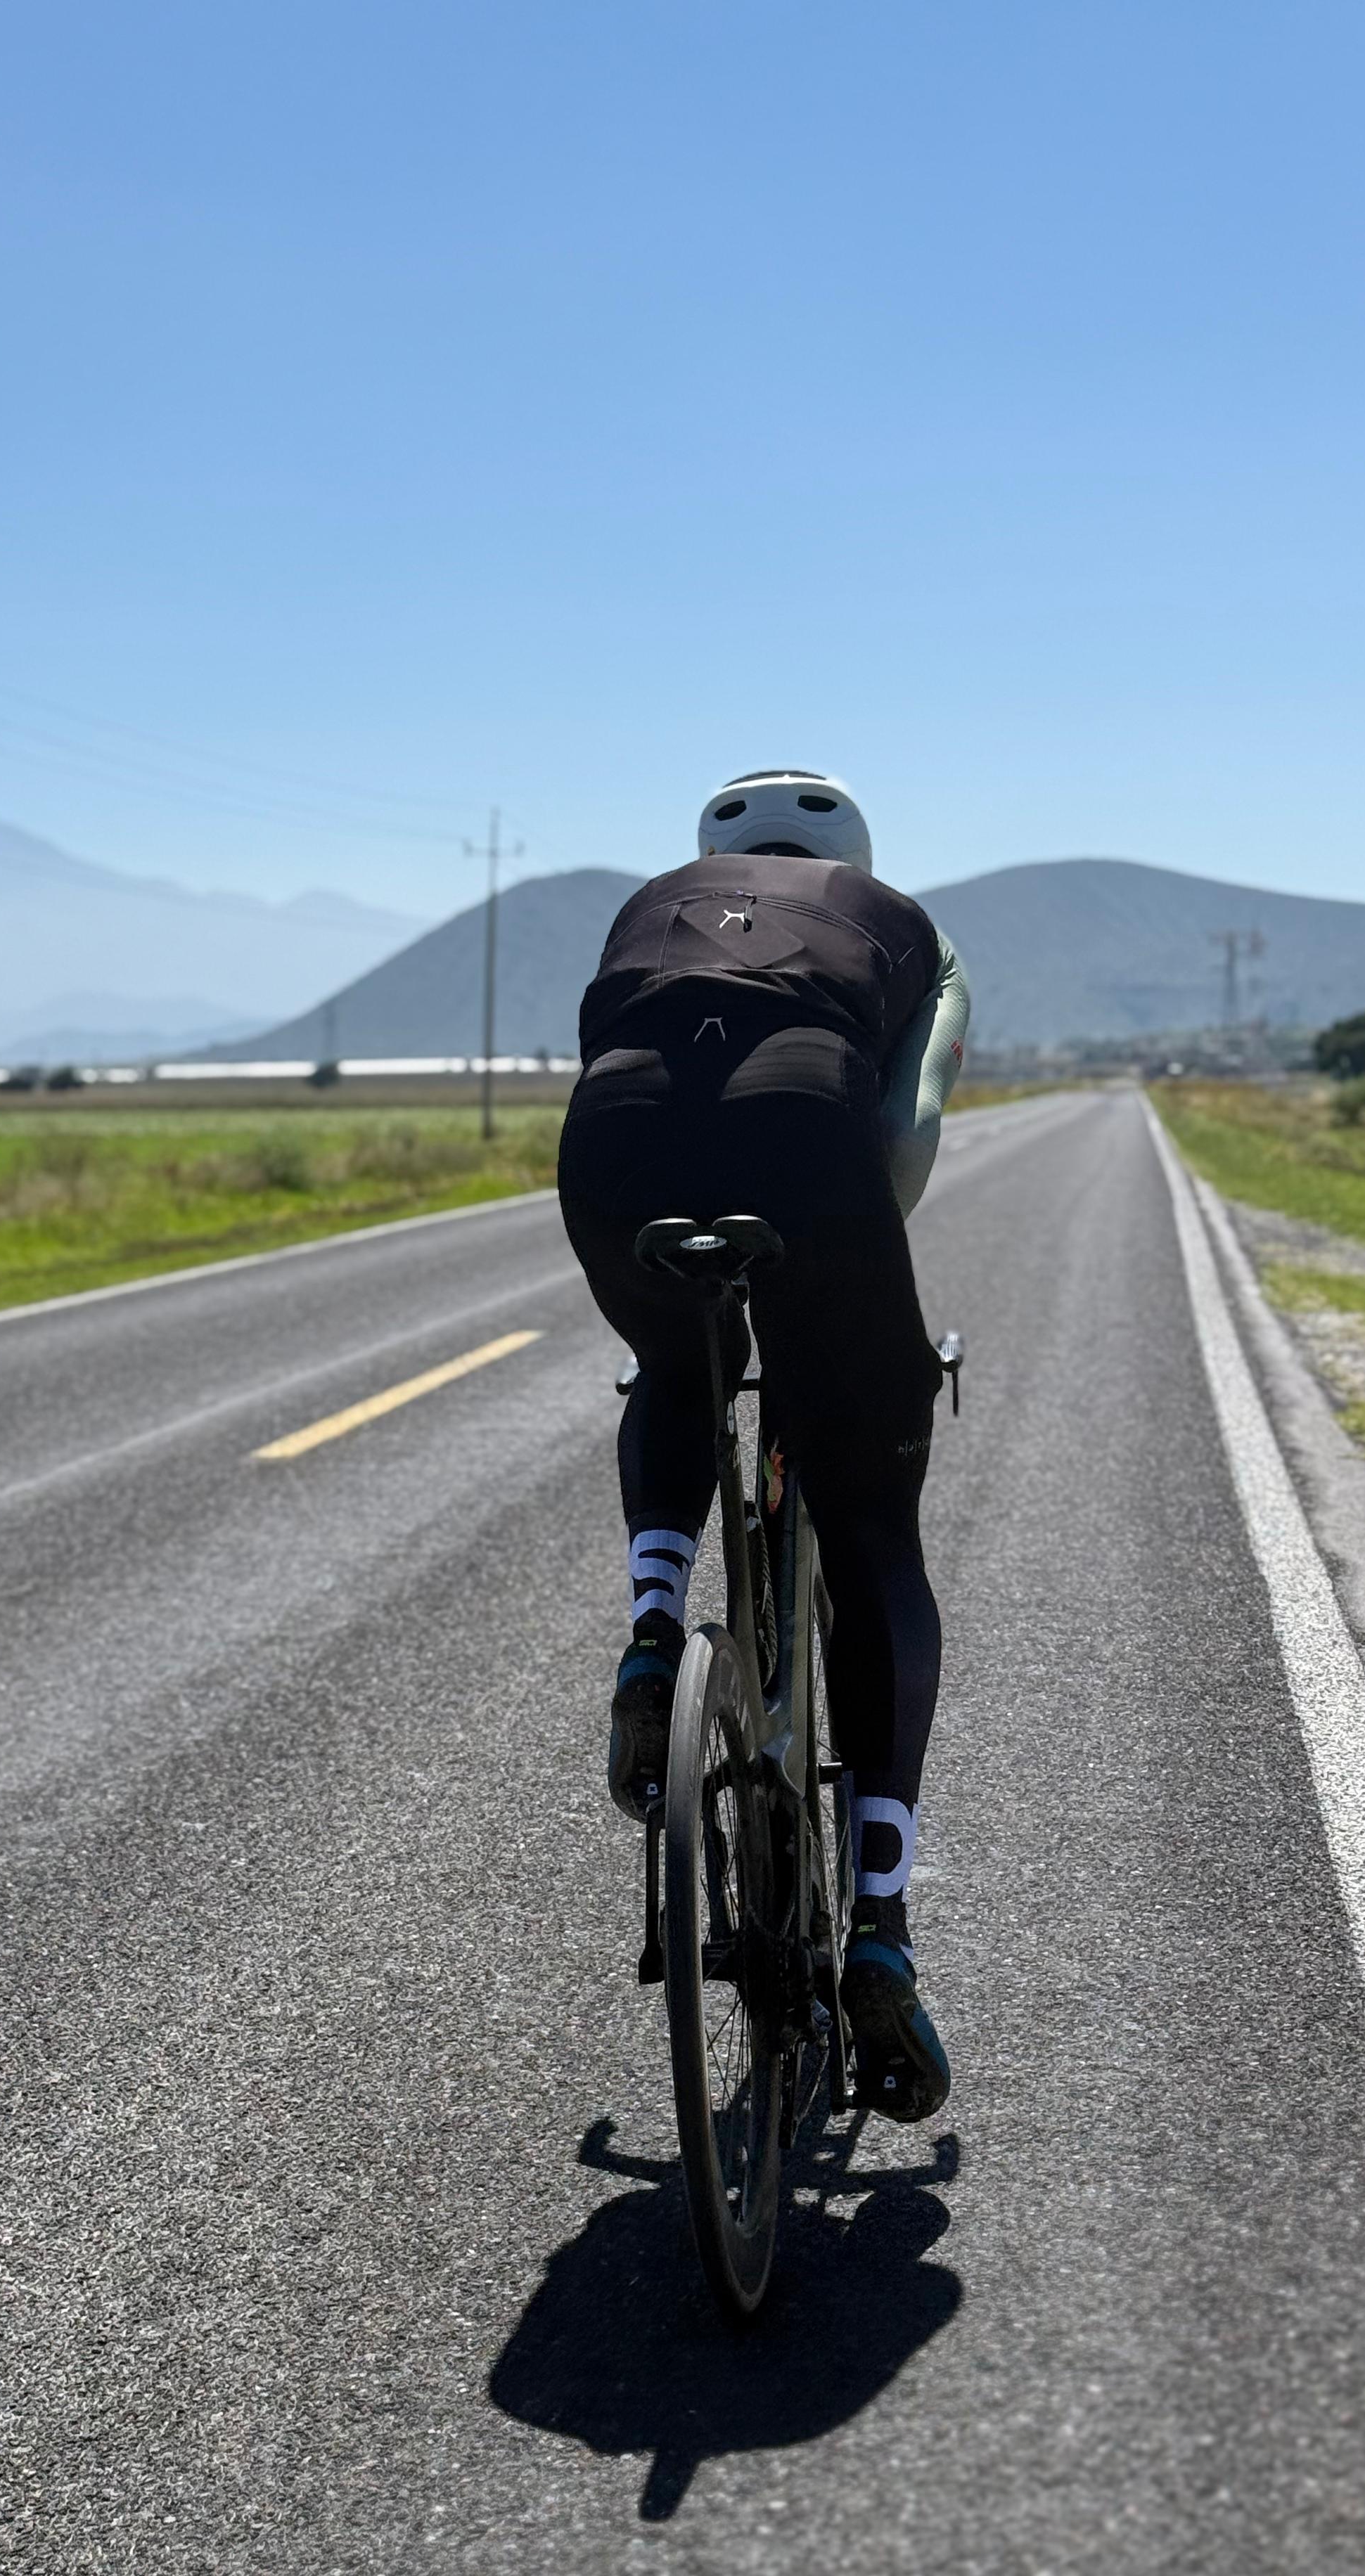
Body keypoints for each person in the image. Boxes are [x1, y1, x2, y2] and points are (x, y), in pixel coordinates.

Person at [558, 771, 970, 2123]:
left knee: (677, 1364)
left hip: (612, 1143)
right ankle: (884, 1930)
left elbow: (608, 1057)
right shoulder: (906, 926)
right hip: (811, 1137)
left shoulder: (648, 909)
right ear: (853, 857)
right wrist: (845, 1332)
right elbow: (901, 1135)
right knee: (871, 1531)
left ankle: (654, 1629)